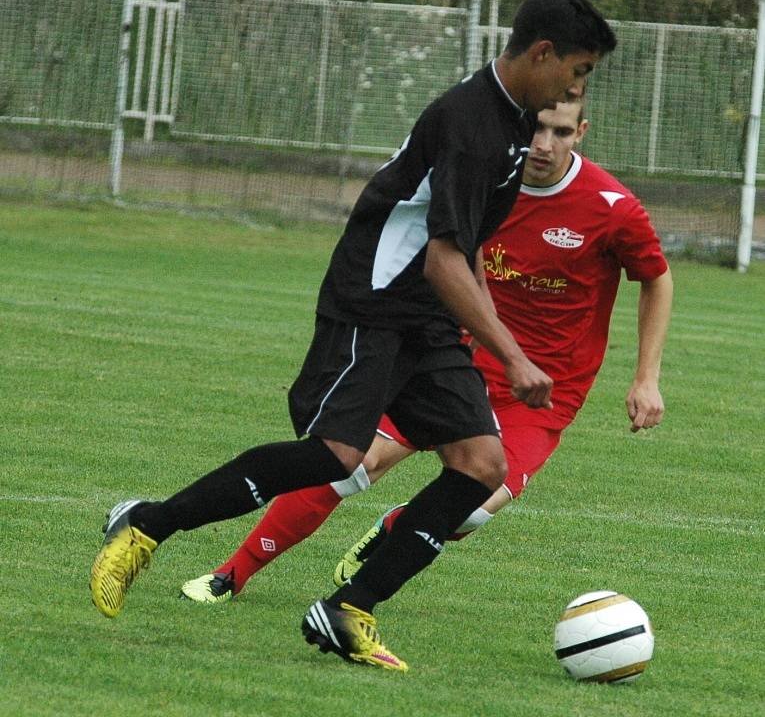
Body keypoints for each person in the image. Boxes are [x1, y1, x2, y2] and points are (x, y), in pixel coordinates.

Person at [90, 0, 617, 673]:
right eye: (576, 71)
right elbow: (442, 256)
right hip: (371, 303)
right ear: (542, 53)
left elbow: (466, 249)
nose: (575, 87)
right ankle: (148, 525)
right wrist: (511, 356)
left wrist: (477, 337)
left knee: (480, 467)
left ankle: (349, 607)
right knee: (337, 456)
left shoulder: (513, 123)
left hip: (427, 317)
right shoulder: (472, 126)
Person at [180, 97, 672, 606]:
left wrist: (646, 377)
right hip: (453, 363)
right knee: (351, 461)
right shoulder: (483, 180)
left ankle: (394, 531)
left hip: (543, 394)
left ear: (582, 132)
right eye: (538, 129)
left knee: (473, 504)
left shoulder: (612, 207)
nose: (545, 145)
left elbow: (657, 278)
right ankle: (230, 574)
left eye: (562, 132)